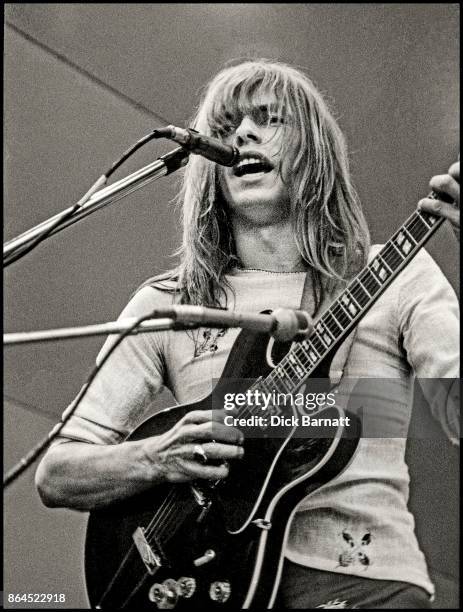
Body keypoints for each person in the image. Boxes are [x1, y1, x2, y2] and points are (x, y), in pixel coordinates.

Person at [35, 60, 459, 609]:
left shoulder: (397, 276)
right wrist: (157, 458)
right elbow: (57, 472)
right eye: (228, 125)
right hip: (206, 587)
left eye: (268, 118)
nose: (243, 135)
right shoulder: (171, 303)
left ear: (315, 152)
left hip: (367, 584)